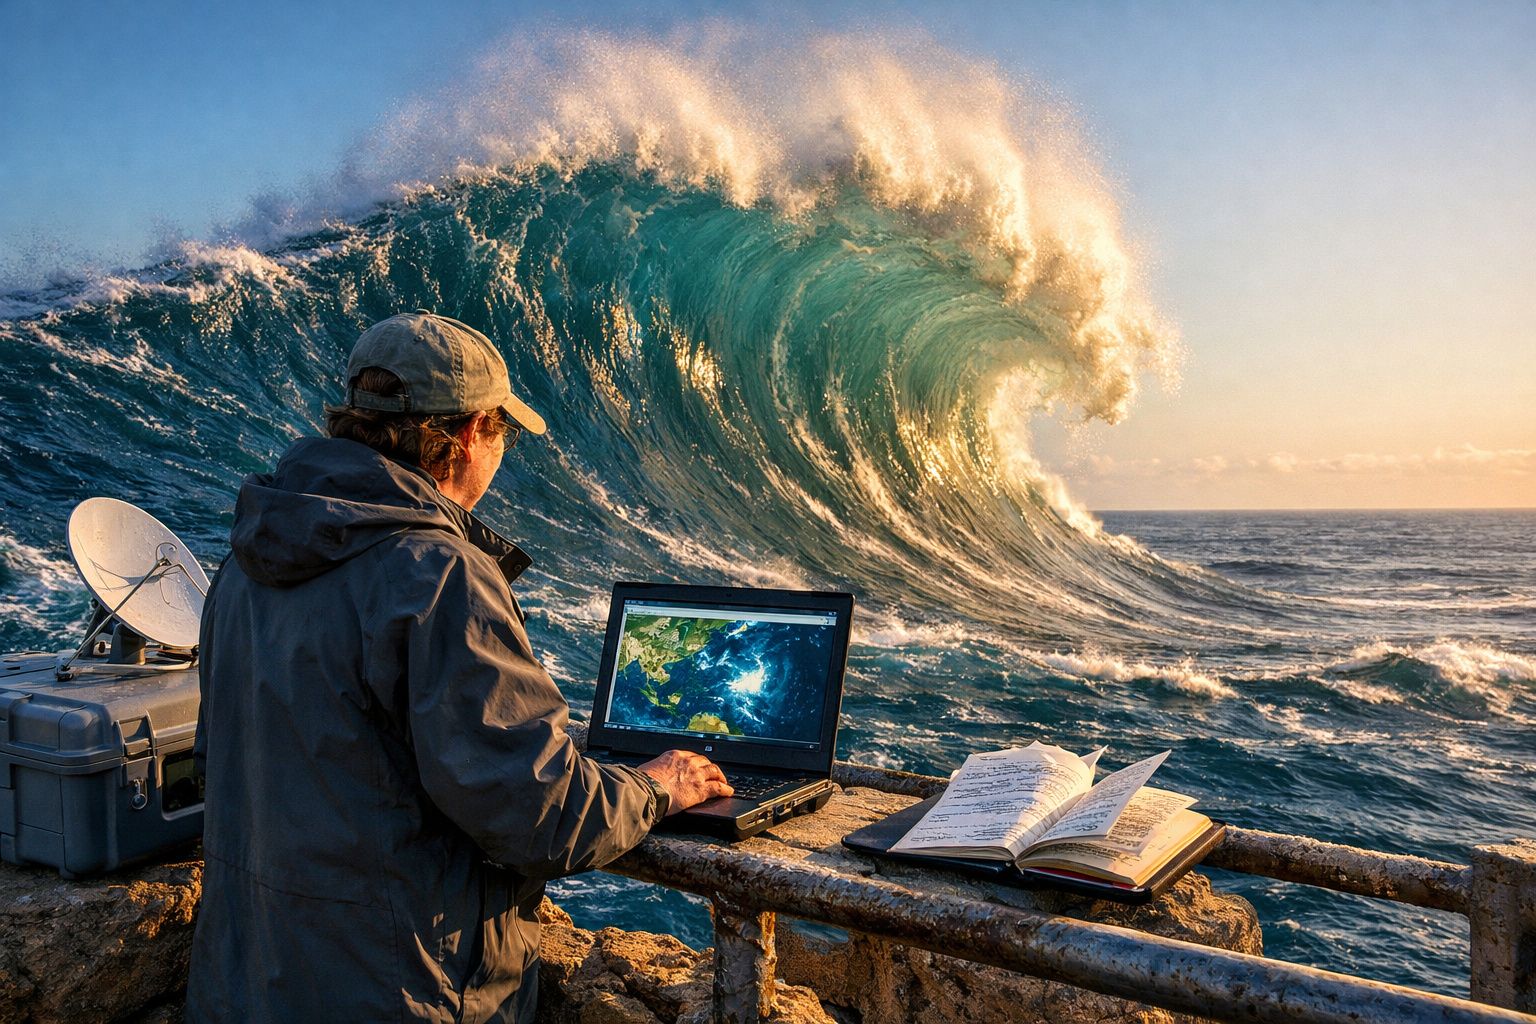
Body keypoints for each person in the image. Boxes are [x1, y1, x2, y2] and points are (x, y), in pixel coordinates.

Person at [187, 310, 733, 1023]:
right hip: (398, 993)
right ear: (472, 431)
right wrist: (656, 786)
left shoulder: (248, 560)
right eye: (503, 433)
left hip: (248, 986)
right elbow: (544, 817)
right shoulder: (438, 575)